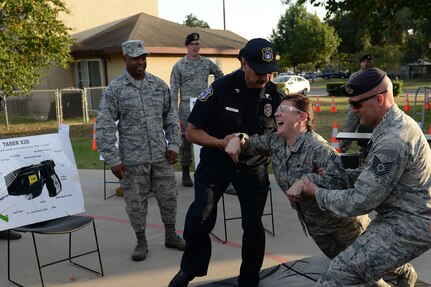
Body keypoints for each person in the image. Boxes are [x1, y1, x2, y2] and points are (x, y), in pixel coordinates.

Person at [287, 68, 431, 286]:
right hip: (398, 217)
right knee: (359, 270)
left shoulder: (393, 139)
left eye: (357, 105)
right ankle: (403, 276)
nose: (353, 111)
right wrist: (343, 175)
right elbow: (375, 175)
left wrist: (316, 193)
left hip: (409, 225)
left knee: (335, 276)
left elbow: (359, 202)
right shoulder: (392, 125)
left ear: (379, 99)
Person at [168, 38, 284, 287]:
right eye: (258, 71)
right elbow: (191, 132)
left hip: (253, 167)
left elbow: (285, 136)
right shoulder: (220, 89)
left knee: (253, 225)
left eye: (269, 71)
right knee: (200, 216)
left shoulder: (275, 97)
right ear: (243, 63)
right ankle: (190, 269)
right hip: (216, 161)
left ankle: (249, 279)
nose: (264, 77)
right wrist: (221, 143)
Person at [225, 94, 370, 259]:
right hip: (316, 226)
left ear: (302, 116)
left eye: (284, 109)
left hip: (344, 224)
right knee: (347, 270)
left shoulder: (318, 147)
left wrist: (306, 181)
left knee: (374, 267)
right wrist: (238, 138)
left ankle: (405, 274)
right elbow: (252, 142)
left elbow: (341, 181)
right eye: (277, 110)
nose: (276, 114)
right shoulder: (276, 142)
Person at [96, 39, 185, 262]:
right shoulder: (115, 89)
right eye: (136, 58)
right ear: (125, 58)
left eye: (143, 57)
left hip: (161, 156)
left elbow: (171, 117)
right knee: (136, 203)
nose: (141, 62)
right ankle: (141, 241)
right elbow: (105, 125)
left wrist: (173, 145)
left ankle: (171, 235)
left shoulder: (158, 85)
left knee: (168, 197)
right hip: (132, 160)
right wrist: (113, 159)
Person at [170, 32, 224, 187]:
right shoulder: (179, 66)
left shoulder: (207, 64)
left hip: (204, 106)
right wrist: (174, 113)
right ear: (187, 46)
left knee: (207, 139)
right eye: (192, 44)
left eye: (197, 44)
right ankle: (186, 173)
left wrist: (214, 95)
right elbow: (174, 90)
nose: (195, 47)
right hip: (186, 109)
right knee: (186, 141)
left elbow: (221, 78)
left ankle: (207, 171)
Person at [340, 54, 373, 159]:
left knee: (366, 131)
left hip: (367, 108)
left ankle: (364, 153)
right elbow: (349, 90)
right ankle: (342, 151)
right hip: (354, 107)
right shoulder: (355, 75)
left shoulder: (373, 75)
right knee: (349, 129)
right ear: (360, 63)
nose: (366, 63)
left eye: (368, 62)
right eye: (364, 61)